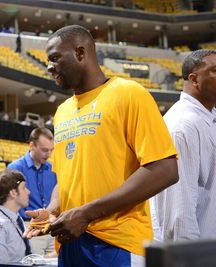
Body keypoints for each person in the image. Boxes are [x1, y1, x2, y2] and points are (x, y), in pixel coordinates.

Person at [24, 25, 178, 267]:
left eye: (54, 58)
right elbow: (63, 180)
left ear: (81, 53)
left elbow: (165, 169)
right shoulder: (62, 111)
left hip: (118, 243)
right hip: (70, 240)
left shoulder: (129, 94)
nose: (49, 66)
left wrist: (87, 213)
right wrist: (53, 211)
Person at [151, 49, 216, 241]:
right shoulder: (182, 125)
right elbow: (179, 211)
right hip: (196, 252)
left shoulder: (209, 116)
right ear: (194, 79)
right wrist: (188, 257)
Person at [7, 127, 57, 256]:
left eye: (51, 150)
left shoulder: (53, 170)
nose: (48, 154)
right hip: (29, 227)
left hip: (51, 226)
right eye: (44, 150)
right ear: (31, 146)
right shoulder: (15, 168)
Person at [0, 169, 31, 265]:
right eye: (24, 188)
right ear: (13, 193)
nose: (28, 192)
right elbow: (0, 264)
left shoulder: (17, 219)